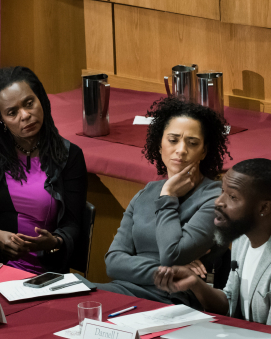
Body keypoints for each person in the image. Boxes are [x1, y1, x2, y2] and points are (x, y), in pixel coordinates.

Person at [154, 159, 271, 338]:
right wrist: (195, 283)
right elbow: (230, 302)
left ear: (264, 208)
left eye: (233, 197)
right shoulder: (243, 235)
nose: (219, 202)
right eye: (222, 191)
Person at [0, 66, 88, 274]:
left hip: (44, 271)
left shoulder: (69, 156)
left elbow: (73, 225)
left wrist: (54, 241)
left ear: (40, 99)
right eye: (12, 113)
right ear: (1, 119)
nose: (25, 115)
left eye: (29, 103)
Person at [97, 97, 230, 306]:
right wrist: (166, 271)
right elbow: (113, 263)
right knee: (72, 296)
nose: (181, 149)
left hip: (172, 299)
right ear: (160, 145)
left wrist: (168, 195)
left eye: (192, 143)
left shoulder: (214, 198)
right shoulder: (146, 194)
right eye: (173, 140)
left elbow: (172, 255)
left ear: (204, 151)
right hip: (124, 289)